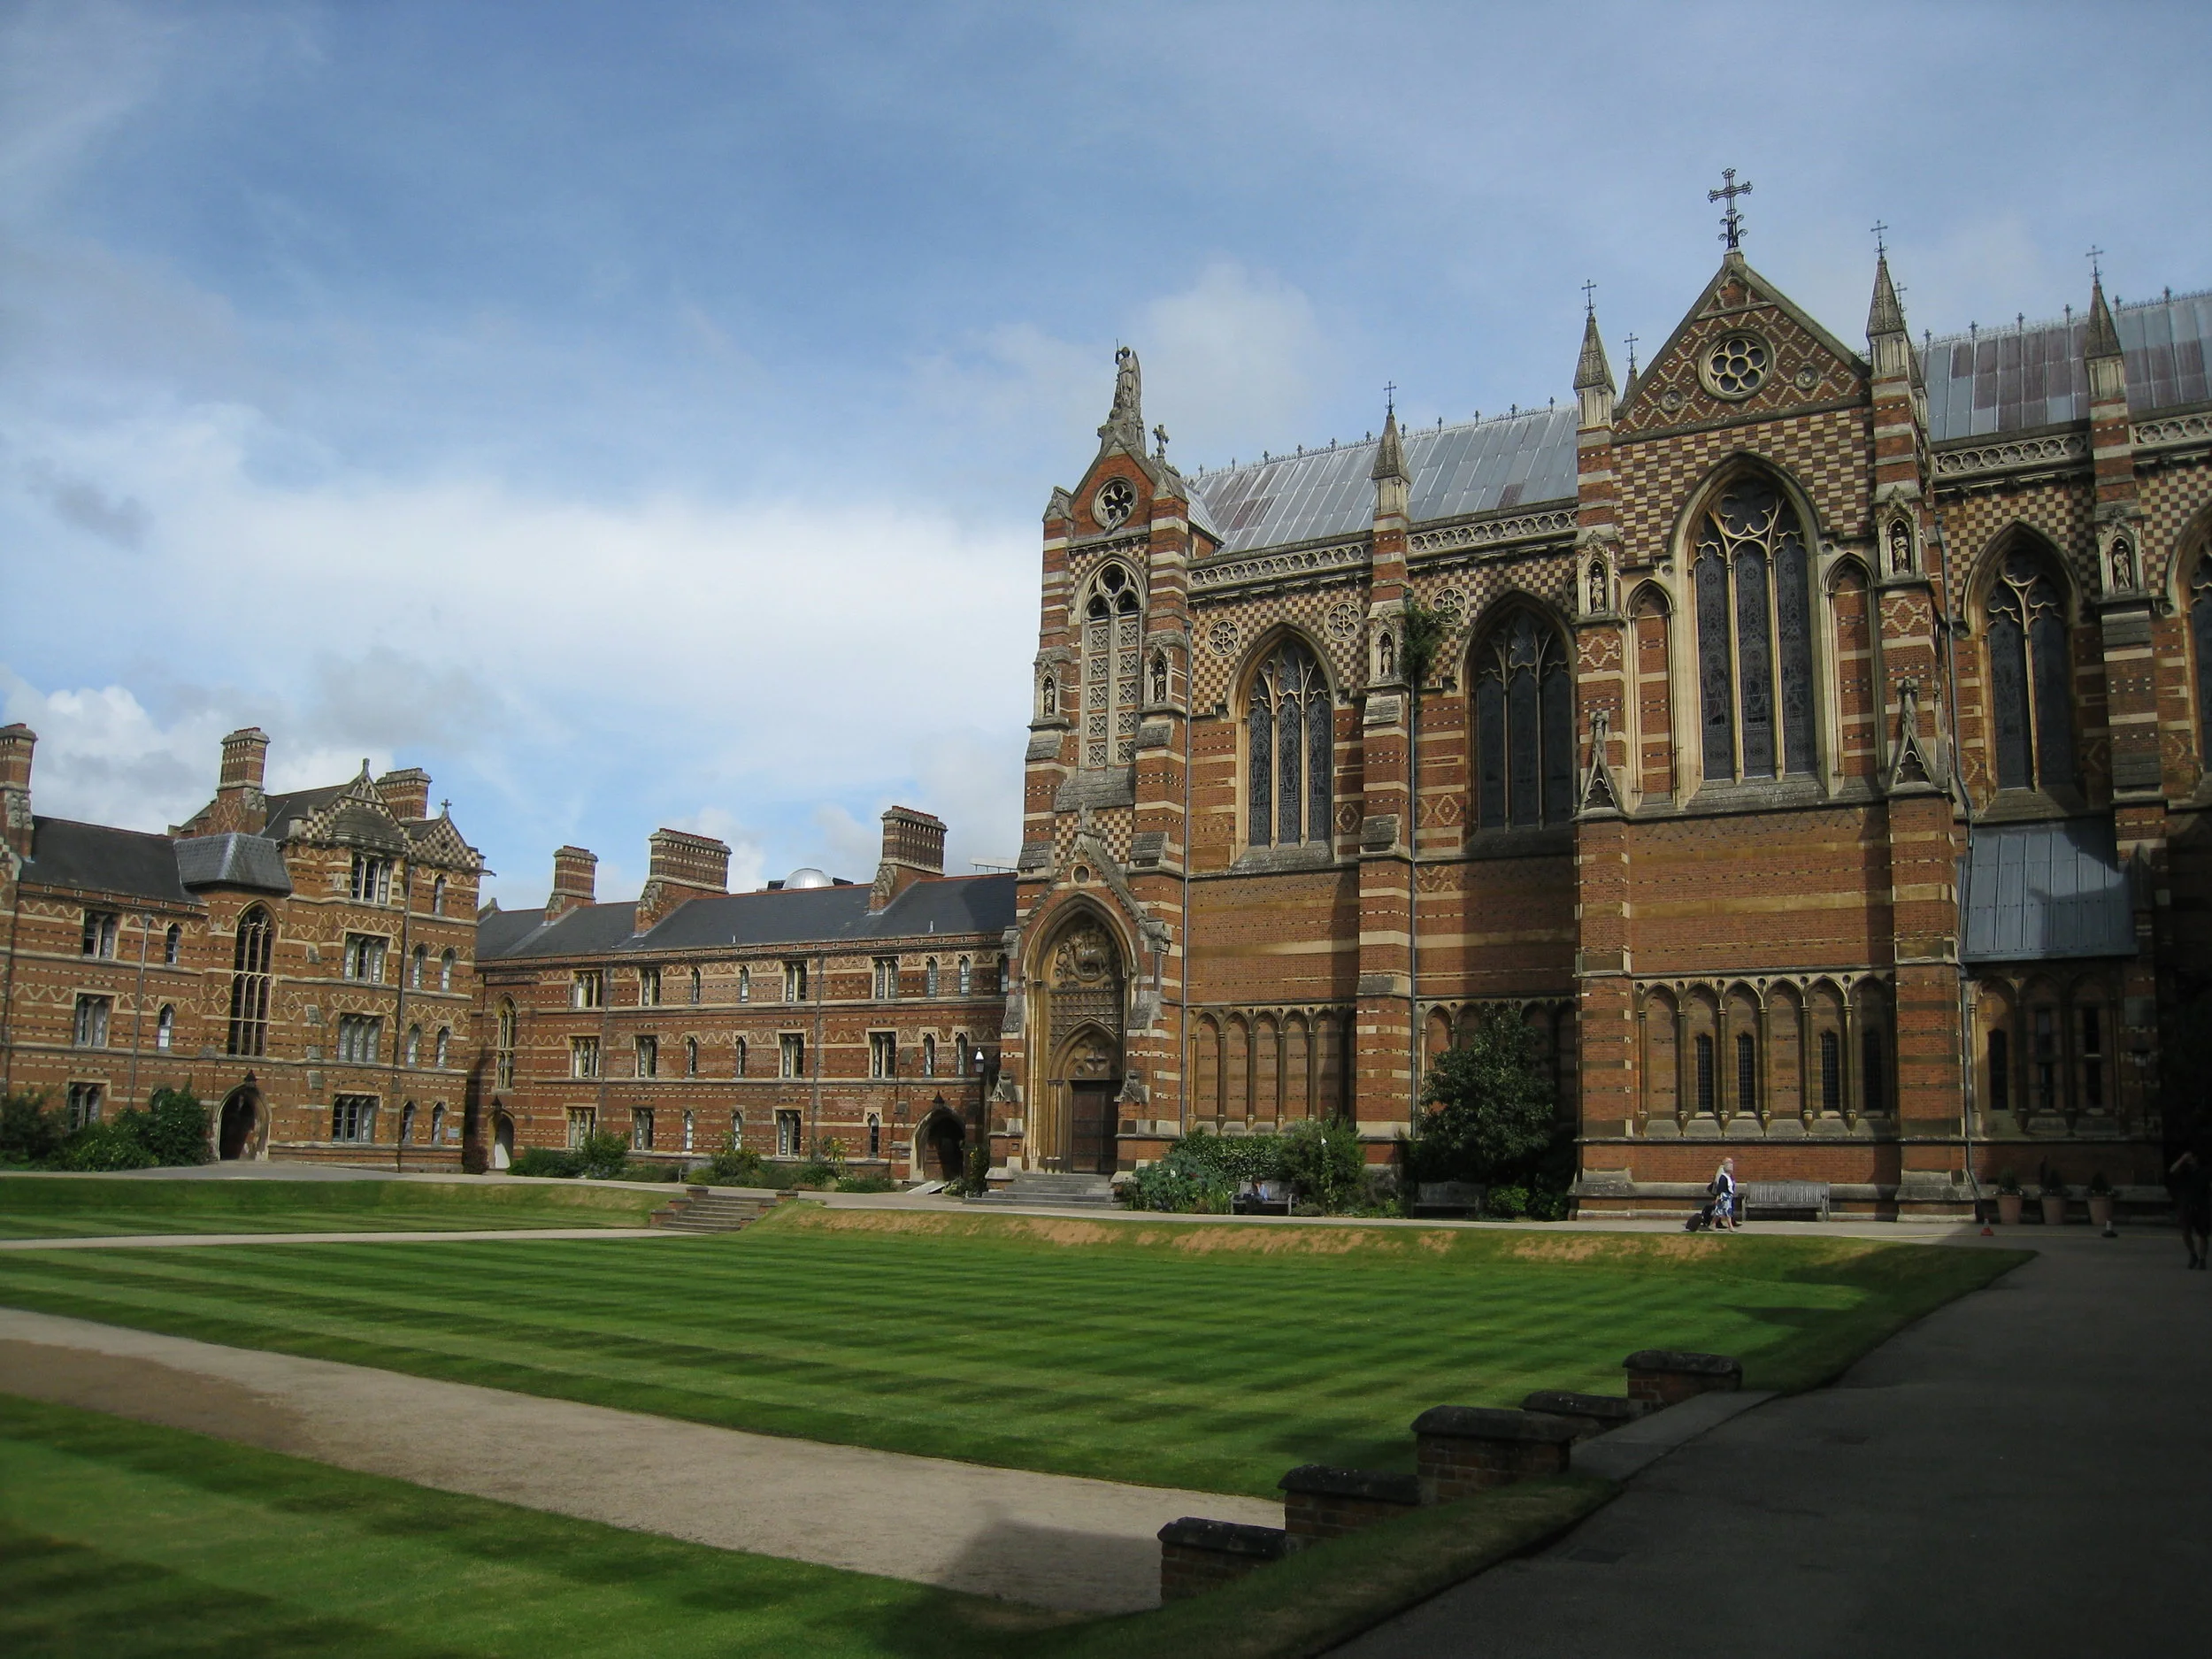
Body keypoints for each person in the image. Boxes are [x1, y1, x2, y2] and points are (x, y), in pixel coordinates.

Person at [2171, 1142, 2211, 1270]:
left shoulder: (2205, 1171)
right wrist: (2182, 1159)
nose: (2189, 1161)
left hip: (2201, 1206)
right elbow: (2172, 1170)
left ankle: (2202, 1259)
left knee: (2203, 1234)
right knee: (2185, 1232)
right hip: (2186, 1205)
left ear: (2196, 1158)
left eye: (2191, 1158)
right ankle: (2193, 1254)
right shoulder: (2184, 1171)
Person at [1711, 1156, 1740, 1233]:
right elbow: (1720, 1188)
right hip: (1724, 1196)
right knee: (1723, 1212)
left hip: (1728, 1196)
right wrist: (1718, 1197)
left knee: (1723, 1212)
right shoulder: (1723, 1177)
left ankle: (1714, 1224)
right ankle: (1729, 1226)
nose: (1732, 1168)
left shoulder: (1730, 1177)